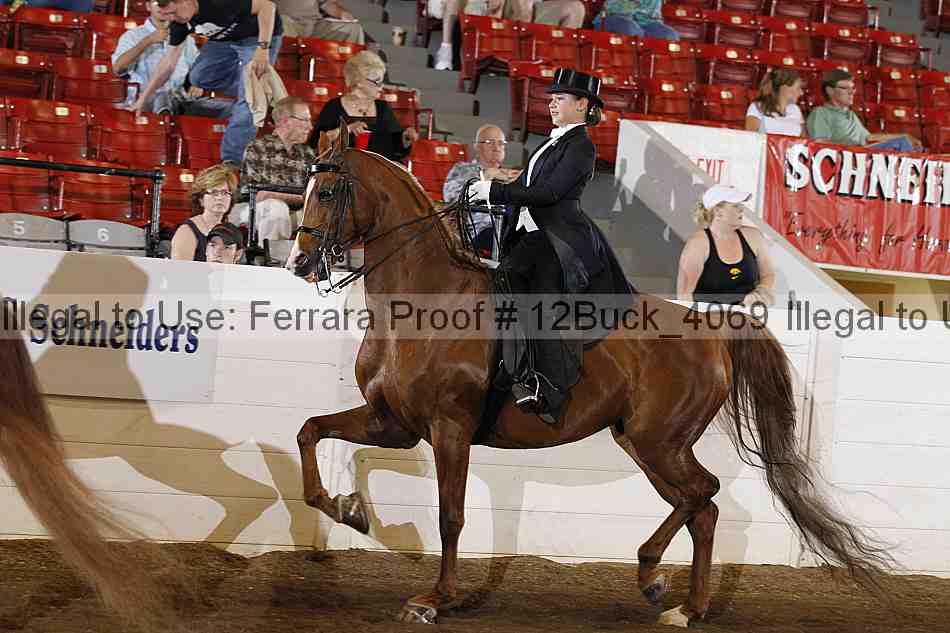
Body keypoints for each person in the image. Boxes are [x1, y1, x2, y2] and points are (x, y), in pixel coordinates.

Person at [468, 68, 634, 424]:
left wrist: (495, 191)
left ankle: (546, 384)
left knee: (532, 297)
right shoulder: (551, 142)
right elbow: (527, 187)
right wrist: (489, 196)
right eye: (552, 99)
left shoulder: (582, 146)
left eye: (560, 99)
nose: (552, 104)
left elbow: (550, 193)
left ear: (582, 104)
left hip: (559, 238)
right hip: (531, 234)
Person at [132, 0, 283, 165]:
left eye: (174, 12)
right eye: (168, 15)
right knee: (198, 77)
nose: (172, 18)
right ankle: (256, 90)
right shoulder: (179, 23)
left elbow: (267, 6)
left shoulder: (216, 3)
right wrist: (143, 98)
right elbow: (168, 64)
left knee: (249, 99)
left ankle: (232, 161)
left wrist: (263, 48)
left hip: (257, 35)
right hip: (224, 39)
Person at [112, 0, 231, 117]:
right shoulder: (132, 36)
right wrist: (148, 41)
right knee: (162, 97)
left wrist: (197, 85)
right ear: (148, 6)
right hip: (146, 100)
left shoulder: (186, 37)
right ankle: (165, 122)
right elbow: (118, 69)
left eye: (167, 3)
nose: (163, 7)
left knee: (230, 109)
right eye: (158, 3)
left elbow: (197, 67)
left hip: (181, 100)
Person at [676, 184, 775, 308]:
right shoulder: (698, 243)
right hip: (707, 316)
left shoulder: (753, 236)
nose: (741, 210)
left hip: (746, 315)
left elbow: (768, 274)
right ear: (718, 211)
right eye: (736, 206)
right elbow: (684, 295)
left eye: (741, 205)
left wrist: (760, 292)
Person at [310, 50, 418, 162]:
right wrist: (347, 129)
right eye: (377, 82)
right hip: (341, 168)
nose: (381, 87)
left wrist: (406, 137)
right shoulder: (334, 107)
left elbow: (396, 148)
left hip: (376, 169)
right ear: (359, 82)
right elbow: (317, 144)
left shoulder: (382, 108)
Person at [233, 96, 315, 241]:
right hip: (252, 210)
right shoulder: (258, 148)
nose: (310, 127)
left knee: (325, 214)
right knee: (276, 209)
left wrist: (300, 197)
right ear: (286, 122)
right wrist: (301, 197)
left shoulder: (307, 153)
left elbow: (312, 196)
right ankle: (271, 255)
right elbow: (259, 195)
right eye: (305, 120)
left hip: (292, 215)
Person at [434, 0, 585, 71]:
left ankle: (559, 70)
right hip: (488, 6)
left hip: (533, 9)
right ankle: (446, 50)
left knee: (576, 8)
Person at [443, 124, 521, 253]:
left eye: (501, 143)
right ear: (477, 146)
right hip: (478, 232)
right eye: (490, 142)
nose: (496, 148)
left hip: (507, 229)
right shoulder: (462, 169)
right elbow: (452, 197)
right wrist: (485, 177)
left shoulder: (511, 176)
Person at [806, 69, 922, 152]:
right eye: (845, 88)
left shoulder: (850, 114)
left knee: (903, 141)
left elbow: (868, 138)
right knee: (900, 144)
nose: (851, 92)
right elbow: (820, 143)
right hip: (847, 158)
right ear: (830, 91)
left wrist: (904, 135)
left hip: (861, 154)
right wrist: (852, 150)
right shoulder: (820, 113)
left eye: (852, 88)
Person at [170, 163, 238, 261]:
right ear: (201, 199)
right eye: (214, 192)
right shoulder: (187, 231)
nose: (220, 198)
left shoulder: (231, 231)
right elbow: (180, 269)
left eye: (225, 193)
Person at [745, 68, 805, 137]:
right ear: (784, 88)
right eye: (798, 88)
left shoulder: (796, 109)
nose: (801, 93)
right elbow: (750, 138)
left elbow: (805, 140)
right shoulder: (757, 107)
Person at [275, 0, 364, 44]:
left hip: (314, 25)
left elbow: (327, 5)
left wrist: (344, 15)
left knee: (353, 28)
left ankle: (356, 71)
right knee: (281, 22)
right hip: (287, 24)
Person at [592, 0, 680, 40]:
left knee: (671, 35)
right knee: (632, 29)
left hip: (643, 23)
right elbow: (610, 8)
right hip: (610, 18)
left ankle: (655, 70)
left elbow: (653, 17)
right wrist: (634, 5)